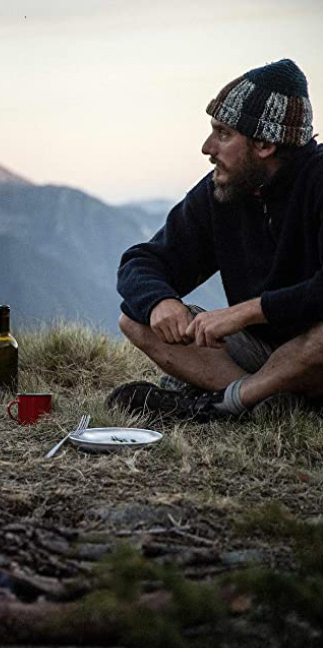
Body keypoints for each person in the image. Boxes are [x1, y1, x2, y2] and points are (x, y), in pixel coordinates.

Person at [108, 58, 323, 421]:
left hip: (312, 350)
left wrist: (248, 311)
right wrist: (160, 301)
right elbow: (142, 261)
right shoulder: (222, 192)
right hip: (262, 354)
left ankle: (226, 403)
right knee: (136, 317)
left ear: (264, 144)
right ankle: (265, 407)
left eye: (223, 134)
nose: (208, 148)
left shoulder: (317, 183)